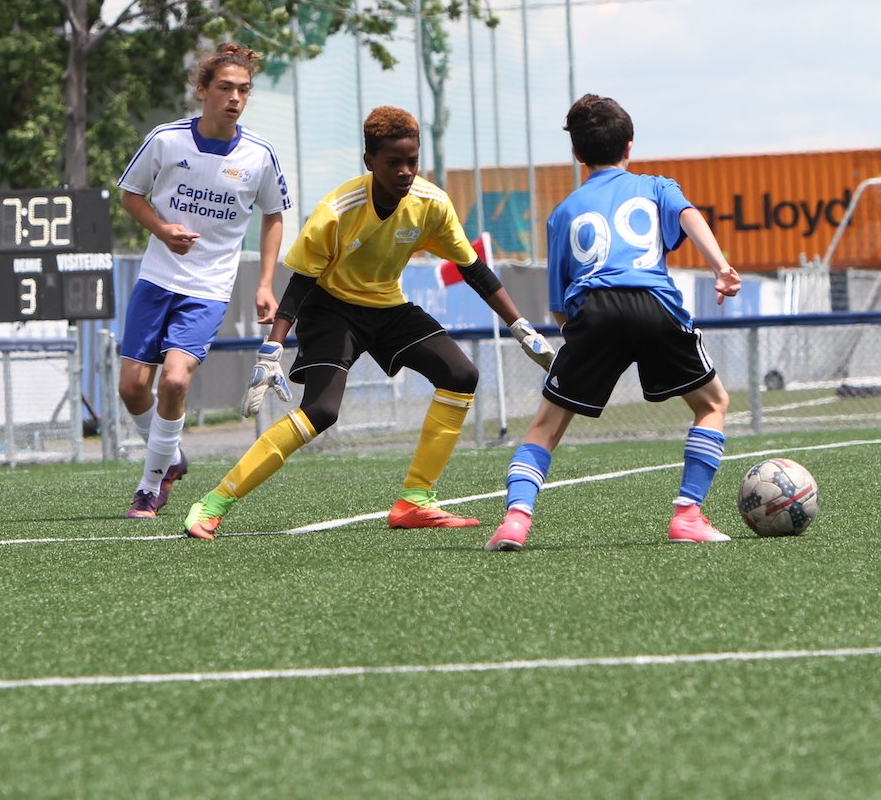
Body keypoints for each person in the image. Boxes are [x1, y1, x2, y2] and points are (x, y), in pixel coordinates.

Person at [183, 105, 554, 539]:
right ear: (369, 162)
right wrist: (273, 347)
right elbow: (301, 283)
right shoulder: (337, 210)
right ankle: (213, 503)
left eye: (412, 161)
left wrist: (520, 326)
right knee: (321, 411)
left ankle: (414, 501)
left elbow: (473, 269)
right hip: (331, 308)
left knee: (460, 374)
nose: (405, 171)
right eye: (393, 162)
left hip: (388, 306)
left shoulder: (432, 204)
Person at [485, 93, 742, 551]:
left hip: (593, 311)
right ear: (629, 145)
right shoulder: (657, 186)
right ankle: (688, 515)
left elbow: (560, 307)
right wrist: (720, 267)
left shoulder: (563, 213)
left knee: (545, 426)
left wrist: (579, 346)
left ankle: (515, 523)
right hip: (652, 304)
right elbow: (690, 216)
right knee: (713, 403)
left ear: (577, 154)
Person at [118, 42, 292, 519]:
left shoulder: (259, 154)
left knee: (174, 380)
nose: (235, 97)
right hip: (156, 279)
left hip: (209, 288)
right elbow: (130, 194)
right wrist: (162, 229)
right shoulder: (166, 139)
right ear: (202, 90)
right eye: (225, 88)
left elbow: (275, 216)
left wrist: (264, 284)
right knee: (132, 389)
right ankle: (170, 457)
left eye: (244, 90)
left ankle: (150, 486)